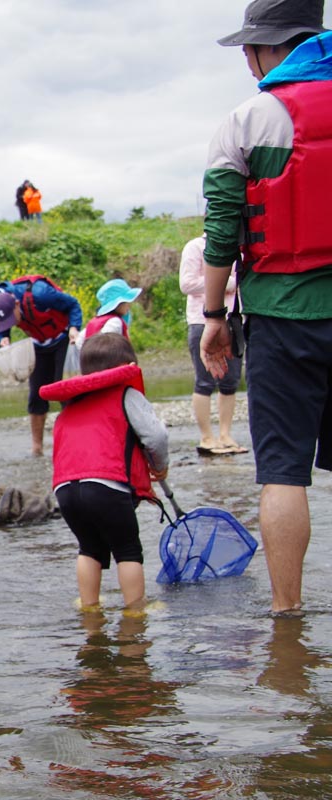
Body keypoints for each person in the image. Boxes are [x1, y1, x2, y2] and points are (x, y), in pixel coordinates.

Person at [199, 0, 331, 615]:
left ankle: (287, 620)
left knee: (283, 472)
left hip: (283, 318)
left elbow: (223, 229)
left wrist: (215, 316)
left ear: (261, 48)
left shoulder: (247, 120)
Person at [41, 333, 170, 611]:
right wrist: (160, 466)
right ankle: (135, 610)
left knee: (89, 548)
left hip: (65, 490)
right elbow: (156, 436)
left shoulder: (72, 404)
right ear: (130, 366)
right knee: (127, 550)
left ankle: (89, 606)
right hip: (105, 486)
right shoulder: (127, 394)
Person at [0, 275, 83, 455]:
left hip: (62, 338)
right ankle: (37, 448)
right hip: (38, 343)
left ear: (17, 304)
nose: (12, 324)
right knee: (36, 395)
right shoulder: (0, 304)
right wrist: (2, 339)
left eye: (12, 319)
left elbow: (73, 304)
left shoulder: (41, 294)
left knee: (65, 390)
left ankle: (73, 442)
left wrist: (74, 327)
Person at [180, 233, 245, 456]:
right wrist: (224, 282)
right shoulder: (195, 246)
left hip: (233, 318)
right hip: (201, 320)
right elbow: (186, 284)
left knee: (231, 381)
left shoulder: (241, 248)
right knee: (204, 380)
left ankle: (225, 434)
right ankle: (206, 437)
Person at [81, 278, 141, 344]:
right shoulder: (115, 322)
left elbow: (79, 342)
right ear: (118, 305)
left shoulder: (95, 321)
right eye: (126, 302)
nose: (129, 305)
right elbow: (104, 345)